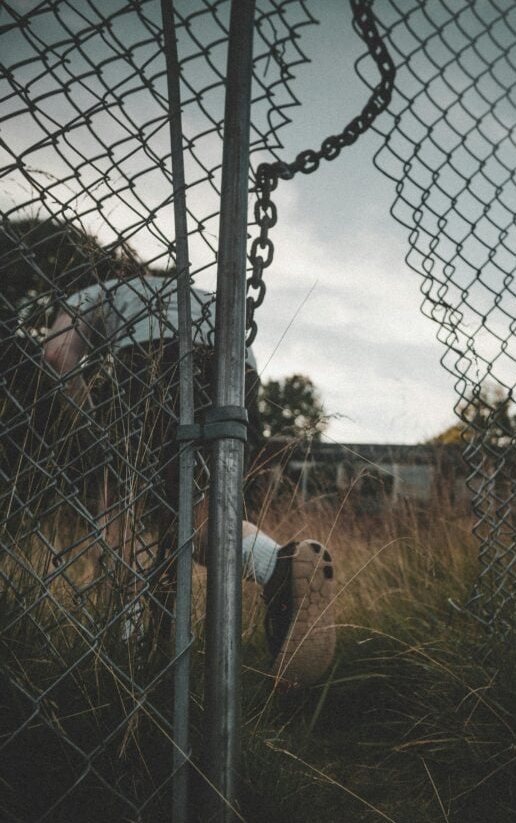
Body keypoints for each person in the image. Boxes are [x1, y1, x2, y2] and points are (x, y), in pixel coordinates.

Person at [42, 273, 335, 686]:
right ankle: (279, 565)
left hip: (152, 355)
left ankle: (126, 649)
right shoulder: (202, 295)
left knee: (123, 498)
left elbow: (58, 353)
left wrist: (90, 423)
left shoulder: (91, 293)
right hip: (235, 365)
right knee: (203, 511)